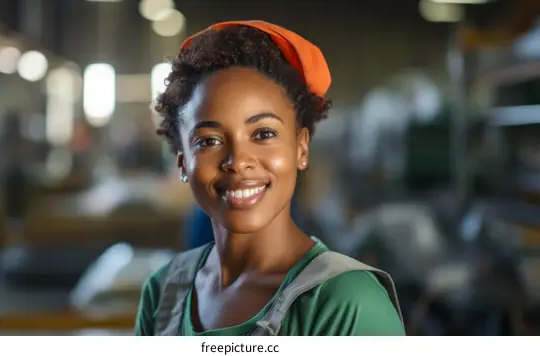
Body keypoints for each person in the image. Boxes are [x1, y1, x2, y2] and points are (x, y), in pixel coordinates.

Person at [136, 21, 405, 336]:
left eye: (263, 133)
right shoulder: (164, 294)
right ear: (183, 164)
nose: (238, 162)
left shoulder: (347, 304)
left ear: (300, 148)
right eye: (209, 141)